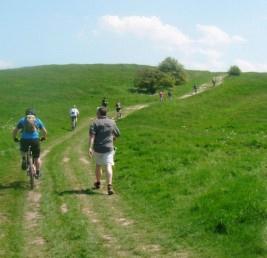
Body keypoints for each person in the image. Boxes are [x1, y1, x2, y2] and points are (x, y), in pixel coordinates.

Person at [89, 106, 120, 195]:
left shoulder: (94, 123)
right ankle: (109, 186)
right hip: (109, 148)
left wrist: (90, 148)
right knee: (108, 165)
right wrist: (112, 137)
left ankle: (98, 183)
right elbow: (118, 134)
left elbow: (92, 137)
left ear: (98, 113)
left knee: (98, 165)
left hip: (98, 148)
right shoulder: (112, 122)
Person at [12, 108, 47, 178]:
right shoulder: (37, 120)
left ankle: (24, 158)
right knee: (37, 158)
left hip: (24, 140)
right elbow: (44, 131)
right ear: (34, 114)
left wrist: (14, 138)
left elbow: (15, 130)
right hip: (35, 140)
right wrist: (44, 137)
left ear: (26, 114)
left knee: (23, 150)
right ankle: (37, 172)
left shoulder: (22, 120)